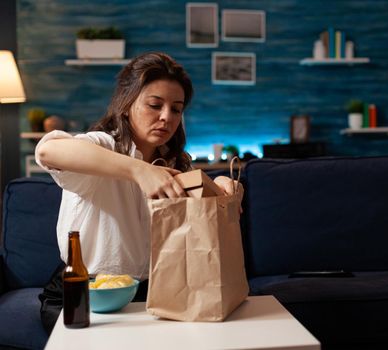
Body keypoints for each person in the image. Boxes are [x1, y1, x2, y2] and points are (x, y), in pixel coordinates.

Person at [35, 51, 238, 334]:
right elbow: (49, 150)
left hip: (155, 291)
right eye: (155, 105)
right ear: (128, 103)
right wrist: (138, 170)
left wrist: (223, 186)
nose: (166, 117)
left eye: (176, 109)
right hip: (84, 294)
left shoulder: (176, 161)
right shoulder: (102, 145)